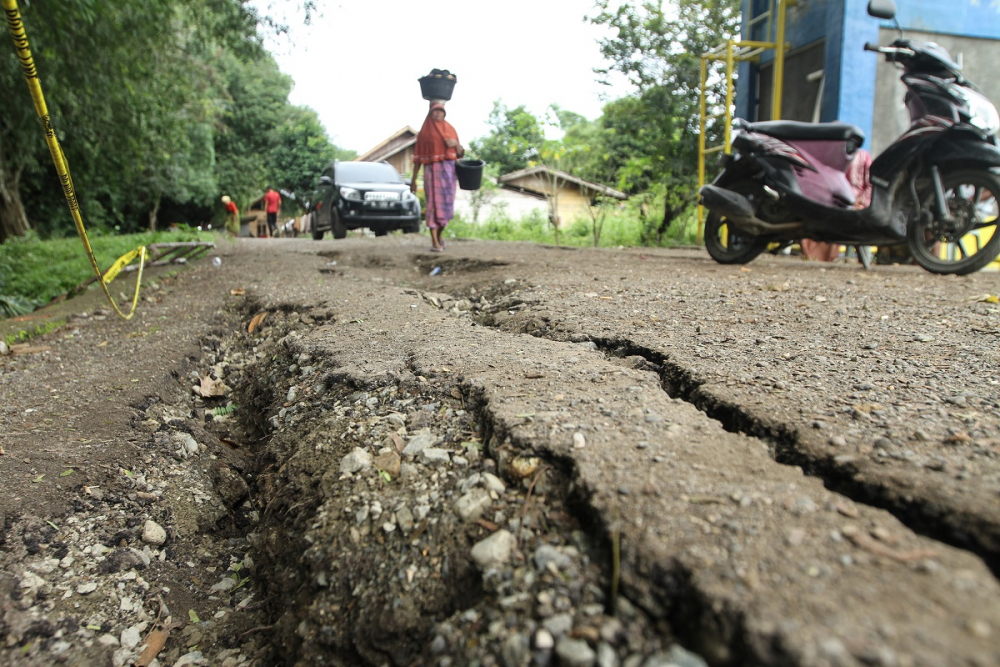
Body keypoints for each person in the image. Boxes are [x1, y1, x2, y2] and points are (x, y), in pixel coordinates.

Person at [411, 101, 464, 252]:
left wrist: (455, 144)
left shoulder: (450, 129)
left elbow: (459, 153)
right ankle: (434, 241)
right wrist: (413, 181)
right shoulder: (424, 134)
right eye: (435, 111)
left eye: (441, 111)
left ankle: (440, 235)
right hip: (432, 173)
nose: (438, 113)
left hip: (449, 174)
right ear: (430, 113)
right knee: (433, 206)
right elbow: (417, 160)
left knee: (446, 206)